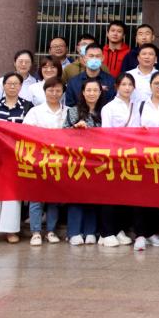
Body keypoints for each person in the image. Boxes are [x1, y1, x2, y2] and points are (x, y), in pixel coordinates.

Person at [0, 72, 32, 244]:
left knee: (12, 194)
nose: (12, 86)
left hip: (16, 155)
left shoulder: (27, 106)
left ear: (20, 86)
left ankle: (10, 231)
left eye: (16, 84)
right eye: (9, 83)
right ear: (3, 86)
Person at [129, 71, 159, 251]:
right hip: (143, 155)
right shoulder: (140, 105)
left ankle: (152, 232)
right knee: (140, 195)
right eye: (156, 84)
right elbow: (132, 128)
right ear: (150, 85)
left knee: (158, 195)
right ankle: (140, 234)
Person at [23, 77, 68, 246]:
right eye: (50, 90)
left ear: (62, 92)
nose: (54, 93)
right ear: (45, 91)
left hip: (59, 161)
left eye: (58, 90)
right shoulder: (35, 111)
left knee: (54, 198)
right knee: (36, 197)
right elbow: (25, 132)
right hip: (38, 159)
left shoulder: (68, 111)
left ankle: (50, 230)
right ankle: (35, 232)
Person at [64, 77, 105, 246]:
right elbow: (63, 134)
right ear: (82, 92)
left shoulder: (104, 111)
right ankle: (74, 232)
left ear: (100, 92)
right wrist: (75, 129)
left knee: (94, 196)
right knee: (76, 195)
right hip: (78, 160)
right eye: (88, 90)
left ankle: (90, 231)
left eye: (95, 90)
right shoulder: (73, 111)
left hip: (98, 161)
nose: (92, 93)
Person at [97, 73, 136, 248]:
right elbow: (106, 133)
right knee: (109, 195)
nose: (127, 88)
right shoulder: (109, 108)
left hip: (132, 156)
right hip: (113, 156)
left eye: (130, 85)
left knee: (125, 195)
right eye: (123, 84)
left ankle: (119, 229)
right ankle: (106, 232)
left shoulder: (136, 105)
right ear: (117, 87)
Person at [64, 42, 115, 108]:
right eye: (91, 56)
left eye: (97, 56)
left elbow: (113, 105)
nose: (94, 59)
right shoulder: (73, 82)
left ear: (102, 58)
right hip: (79, 114)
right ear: (84, 58)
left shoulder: (111, 81)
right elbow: (70, 106)